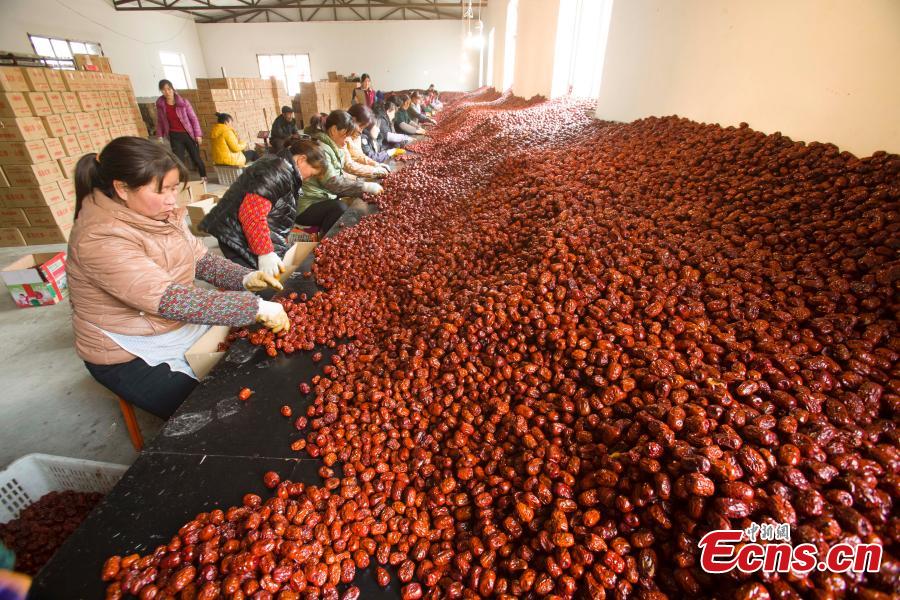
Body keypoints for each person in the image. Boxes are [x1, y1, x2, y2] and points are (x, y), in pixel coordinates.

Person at [68, 137, 290, 419]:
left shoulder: (161, 216)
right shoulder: (99, 238)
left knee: (256, 368)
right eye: (162, 190)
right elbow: (167, 299)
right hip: (128, 351)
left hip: (175, 325)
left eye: (175, 188)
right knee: (212, 411)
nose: (172, 199)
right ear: (122, 189)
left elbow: (201, 259)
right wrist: (253, 307)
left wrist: (245, 278)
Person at [201, 139, 325, 273]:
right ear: (301, 160)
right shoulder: (276, 172)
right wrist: (265, 253)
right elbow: (252, 215)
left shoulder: (284, 169)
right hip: (238, 235)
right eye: (311, 174)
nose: (308, 179)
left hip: (248, 234)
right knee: (256, 280)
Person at [299, 110, 384, 233]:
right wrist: (365, 186)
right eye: (345, 136)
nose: (346, 141)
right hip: (308, 203)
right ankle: (325, 239)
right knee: (339, 208)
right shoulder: (322, 149)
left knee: (359, 195)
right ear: (334, 130)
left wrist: (375, 170)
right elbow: (332, 182)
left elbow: (349, 165)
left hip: (324, 195)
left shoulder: (335, 146)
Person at [156, 79, 206, 181]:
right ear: (161, 91)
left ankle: (203, 177)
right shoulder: (161, 105)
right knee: (179, 161)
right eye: (163, 90)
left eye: (169, 89)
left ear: (173, 89)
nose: (167, 92)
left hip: (188, 134)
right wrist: (159, 135)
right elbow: (160, 121)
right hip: (174, 136)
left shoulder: (183, 102)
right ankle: (183, 181)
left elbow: (193, 118)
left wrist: (198, 134)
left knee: (196, 158)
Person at [343, 104, 390, 179]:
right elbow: (348, 165)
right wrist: (373, 171)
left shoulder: (356, 136)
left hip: (354, 176)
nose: (361, 132)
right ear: (353, 120)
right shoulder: (343, 137)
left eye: (363, 128)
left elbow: (358, 156)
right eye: (360, 127)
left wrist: (375, 164)